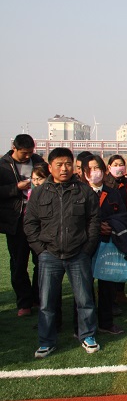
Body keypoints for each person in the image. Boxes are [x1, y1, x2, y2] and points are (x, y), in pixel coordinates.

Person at [24, 147, 101, 358]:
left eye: (68, 164)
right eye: (59, 164)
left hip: (78, 254)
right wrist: (40, 250)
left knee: (84, 300)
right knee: (47, 302)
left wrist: (87, 249)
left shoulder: (84, 191)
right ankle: (46, 341)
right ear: (50, 167)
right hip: (49, 255)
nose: (64, 168)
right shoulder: (39, 192)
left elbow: (94, 222)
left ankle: (87, 336)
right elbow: (30, 224)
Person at [82, 155, 127, 335]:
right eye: (91, 169)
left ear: (104, 170)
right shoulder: (79, 192)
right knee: (84, 287)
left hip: (107, 244)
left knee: (107, 286)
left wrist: (110, 225)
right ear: (85, 172)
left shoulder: (112, 192)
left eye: (98, 168)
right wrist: (95, 226)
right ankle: (83, 325)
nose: (95, 172)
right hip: (85, 245)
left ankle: (106, 322)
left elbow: (123, 215)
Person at [0, 134, 46, 317]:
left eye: (30, 152)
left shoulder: (38, 162)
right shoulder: (3, 165)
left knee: (41, 261)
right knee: (19, 263)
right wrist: (16, 188)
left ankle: (38, 298)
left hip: (39, 220)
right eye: (24, 153)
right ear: (15, 148)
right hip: (16, 221)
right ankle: (24, 302)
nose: (28, 156)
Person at [104, 155, 127, 305]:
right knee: (109, 261)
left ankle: (120, 292)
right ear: (109, 167)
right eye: (115, 164)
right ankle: (110, 295)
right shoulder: (106, 183)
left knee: (122, 258)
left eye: (121, 164)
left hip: (124, 224)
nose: (119, 167)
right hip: (110, 224)